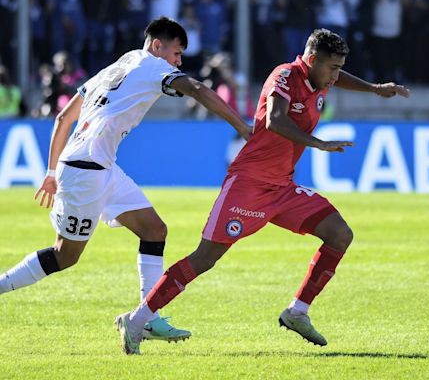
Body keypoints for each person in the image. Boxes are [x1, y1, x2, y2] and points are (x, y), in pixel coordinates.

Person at [116, 28, 409, 355]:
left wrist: (374, 88)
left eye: (339, 68)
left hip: (282, 187)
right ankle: (138, 319)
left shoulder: (321, 78)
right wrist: (318, 144)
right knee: (205, 259)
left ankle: (298, 311)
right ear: (311, 60)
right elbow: (274, 119)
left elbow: (335, 79)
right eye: (332, 68)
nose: (335, 76)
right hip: (249, 184)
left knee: (340, 234)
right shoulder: (284, 76)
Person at [0, 17, 251, 344]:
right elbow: (197, 88)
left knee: (154, 230)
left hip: (99, 167)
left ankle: (147, 317)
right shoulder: (151, 65)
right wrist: (243, 127)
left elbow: (64, 117)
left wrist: (50, 173)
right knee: (66, 256)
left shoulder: (118, 65)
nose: (178, 63)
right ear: (158, 46)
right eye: (176, 54)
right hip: (85, 172)